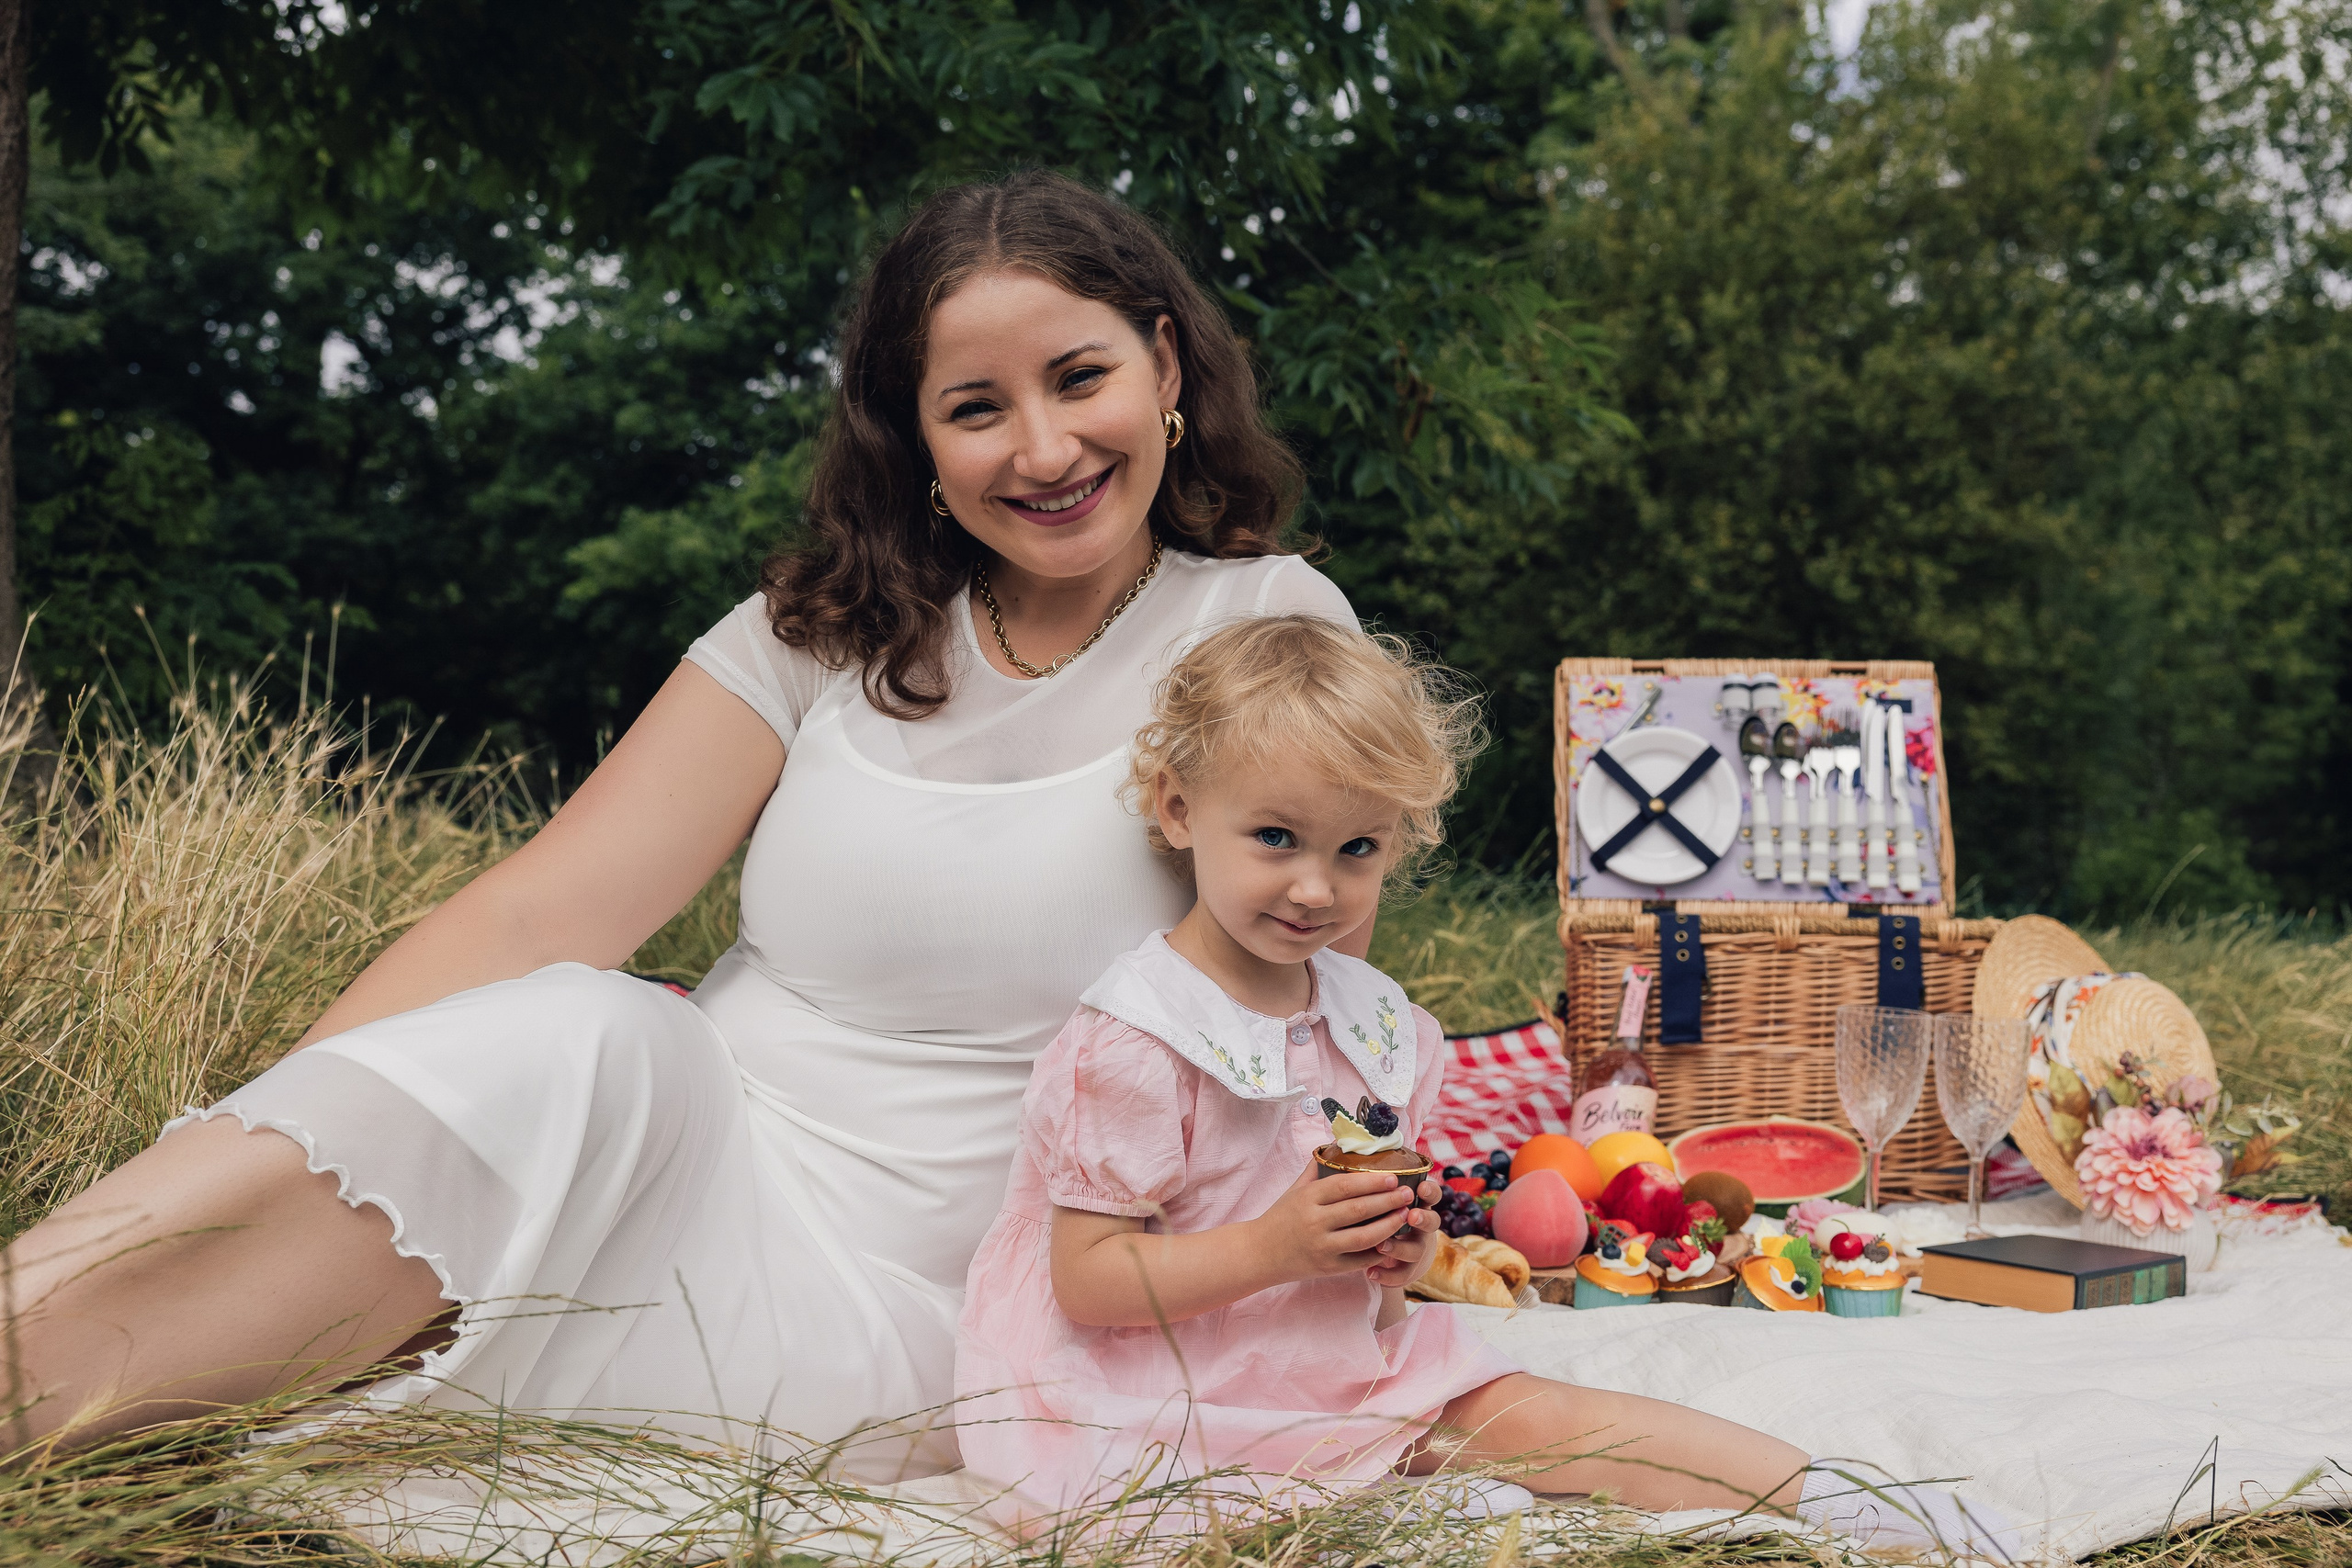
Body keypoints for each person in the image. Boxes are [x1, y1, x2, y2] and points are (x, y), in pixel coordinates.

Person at [0, 171, 1359, 1473]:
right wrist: (304, 1120)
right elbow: (539, 911)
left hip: (920, 1287)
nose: (1045, 447)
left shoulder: (1264, 632)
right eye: (975, 406)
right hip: (688, 1132)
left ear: (1167, 370)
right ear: (916, 436)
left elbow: (1302, 1017)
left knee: (594, 1038)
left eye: (1080, 377)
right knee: (594, 1024)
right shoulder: (826, 626)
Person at [954, 615, 1820, 1530]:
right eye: (1275, 836)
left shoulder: (1368, 1025)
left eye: (1356, 849)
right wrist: (1274, 1249)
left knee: (1548, 1415)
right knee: (1201, 1518)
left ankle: (1850, 1500)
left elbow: (1373, 1280)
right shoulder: (1139, 1040)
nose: (1316, 888)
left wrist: (1391, 1262)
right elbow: (1087, 1282)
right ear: (1177, 809)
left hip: (1321, 1356)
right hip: (1159, 1390)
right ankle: (1405, 1502)